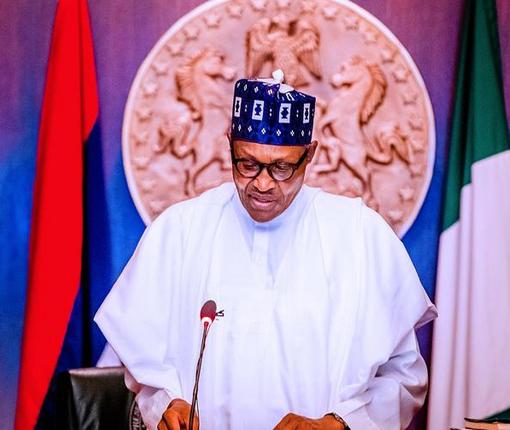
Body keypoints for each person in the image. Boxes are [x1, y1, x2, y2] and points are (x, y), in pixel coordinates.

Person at [95, 70, 436, 430]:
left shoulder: (360, 234)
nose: (262, 183)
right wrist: (167, 402)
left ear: (310, 155)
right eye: (247, 163)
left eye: (282, 168)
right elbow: (144, 369)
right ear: (229, 144)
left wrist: (341, 424)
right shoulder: (180, 230)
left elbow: (403, 377)